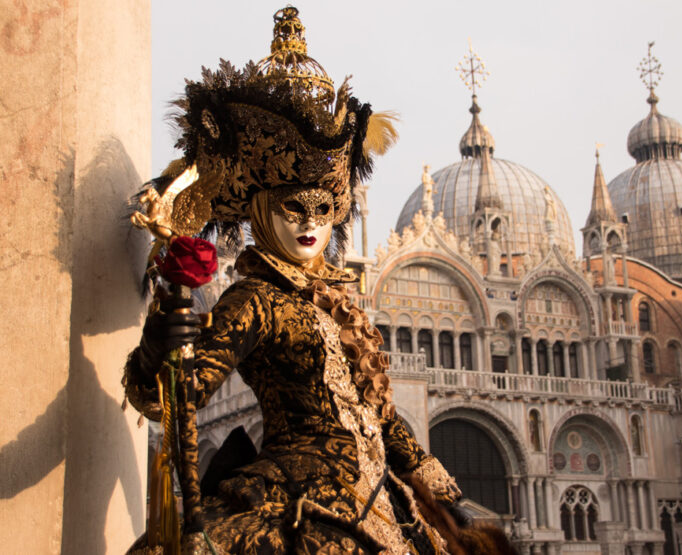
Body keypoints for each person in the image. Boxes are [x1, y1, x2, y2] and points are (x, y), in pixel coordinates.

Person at [123, 7, 513, 555]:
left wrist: (440, 489)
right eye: (293, 206)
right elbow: (169, 401)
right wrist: (164, 337)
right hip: (294, 498)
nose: (310, 223)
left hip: (384, 499)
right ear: (261, 208)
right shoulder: (254, 298)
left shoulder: (340, 300)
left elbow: (375, 414)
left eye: (323, 207)